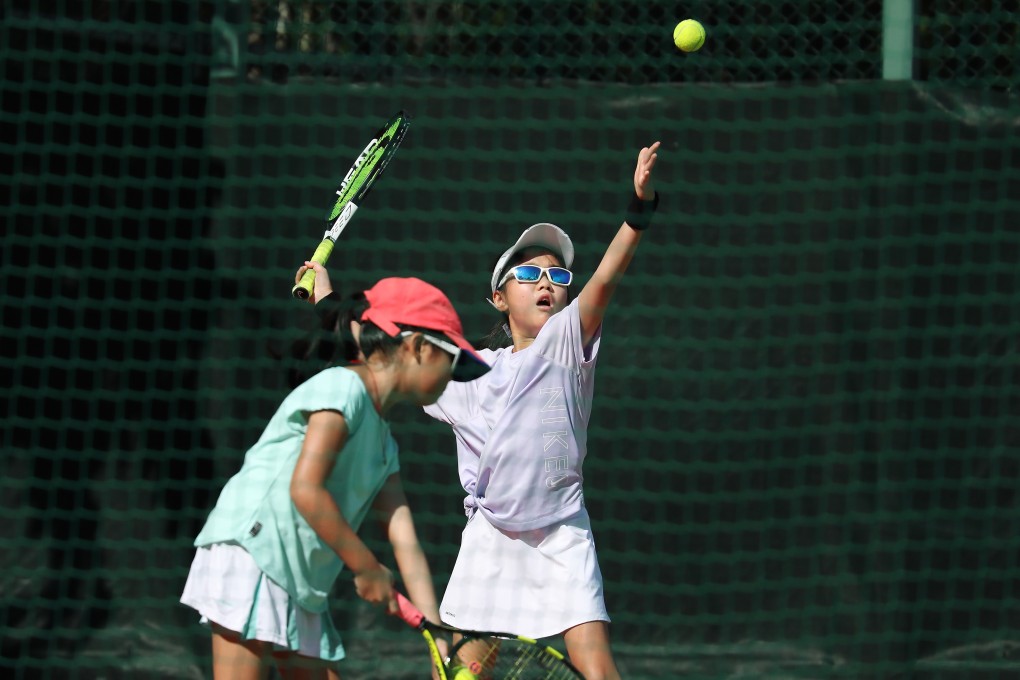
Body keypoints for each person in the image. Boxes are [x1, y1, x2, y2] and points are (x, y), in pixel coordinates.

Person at [301, 141, 660, 679]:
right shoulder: (463, 372)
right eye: (530, 274)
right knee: (465, 673)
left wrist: (638, 209)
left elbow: (605, 278)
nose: (547, 282)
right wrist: (324, 297)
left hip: (562, 533)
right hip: (489, 539)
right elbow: (381, 350)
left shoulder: (566, 341)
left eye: (559, 277)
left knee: (598, 669)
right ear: (498, 297)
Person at [180, 276, 490, 679]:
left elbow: (404, 537)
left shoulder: (384, 444)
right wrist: (365, 567)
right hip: (253, 553)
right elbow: (305, 489)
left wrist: (439, 638)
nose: (452, 375)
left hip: (300, 579)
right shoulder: (344, 388)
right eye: (451, 360)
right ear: (417, 348)